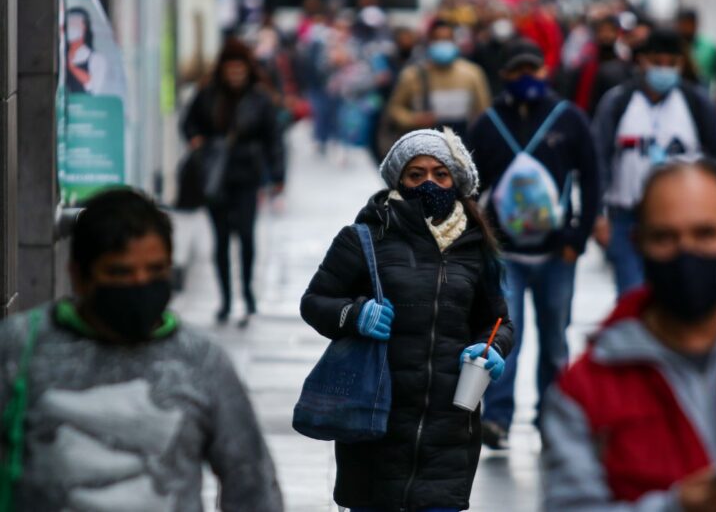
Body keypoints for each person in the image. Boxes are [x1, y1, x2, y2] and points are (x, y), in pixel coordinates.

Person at [0, 188, 283, 511]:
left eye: (155, 271)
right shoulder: (19, 348)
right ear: (78, 275)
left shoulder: (202, 361)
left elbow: (252, 486)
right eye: (120, 272)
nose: (139, 283)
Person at [541, 161, 716, 511]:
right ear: (638, 244)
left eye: (706, 234)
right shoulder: (586, 388)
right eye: (664, 238)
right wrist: (677, 506)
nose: (686, 253)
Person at [300, 128, 514, 511]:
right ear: (399, 179)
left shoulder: (475, 246)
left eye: (440, 173)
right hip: (375, 423)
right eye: (416, 174)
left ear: (456, 181)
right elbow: (315, 301)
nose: (429, 182)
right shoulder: (365, 235)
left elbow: (499, 322)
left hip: (448, 430)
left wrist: (492, 346)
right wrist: (355, 315)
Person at [469, 38, 601, 448]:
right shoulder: (488, 123)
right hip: (505, 254)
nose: (526, 78)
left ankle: (552, 418)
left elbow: (593, 178)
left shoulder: (568, 119)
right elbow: (470, 188)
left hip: (557, 253)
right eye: (517, 71)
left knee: (556, 339)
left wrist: (578, 237)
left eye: (533, 69)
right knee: (506, 338)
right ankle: (496, 418)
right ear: (504, 75)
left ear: (545, 72)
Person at [593, 28, 716, 296]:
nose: (664, 70)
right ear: (642, 61)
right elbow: (599, 159)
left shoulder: (695, 103)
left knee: (677, 296)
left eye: (671, 64)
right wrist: (598, 215)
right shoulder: (619, 102)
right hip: (627, 217)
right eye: (657, 63)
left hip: (683, 219)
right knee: (632, 297)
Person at [182, 38, 284, 326]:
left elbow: (273, 138)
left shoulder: (259, 98)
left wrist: (278, 175)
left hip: (247, 175)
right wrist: (195, 139)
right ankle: (226, 299)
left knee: (247, 237)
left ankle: (248, 295)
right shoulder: (208, 94)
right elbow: (188, 122)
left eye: (240, 69)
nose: (235, 75)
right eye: (231, 69)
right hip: (216, 176)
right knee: (221, 239)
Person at [385, 19, 491, 141]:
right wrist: (414, 119)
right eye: (438, 39)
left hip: (463, 142)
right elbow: (394, 110)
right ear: (429, 42)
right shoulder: (412, 75)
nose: (443, 44)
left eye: (447, 39)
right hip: (425, 144)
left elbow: (483, 112)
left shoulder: (472, 73)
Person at [676, 8, 716, 91]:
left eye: (690, 23)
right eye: (684, 23)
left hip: (703, 92)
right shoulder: (673, 46)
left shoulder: (709, 46)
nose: (687, 27)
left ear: (697, 24)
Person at [65, 7, 107, 95]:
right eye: (68, 23)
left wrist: (71, 67)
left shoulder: (96, 58)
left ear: (85, 27)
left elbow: (93, 87)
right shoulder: (61, 55)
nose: (71, 26)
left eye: (75, 23)